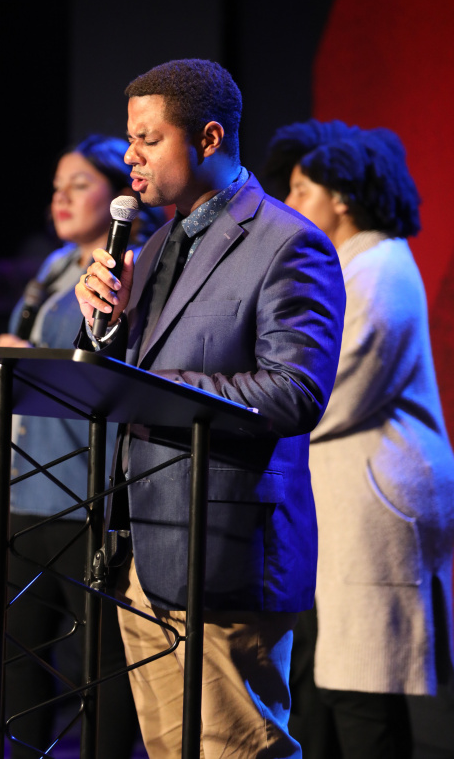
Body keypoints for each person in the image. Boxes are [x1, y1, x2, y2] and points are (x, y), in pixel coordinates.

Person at [73, 59, 346, 758]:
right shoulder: (156, 244)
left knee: (237, 750)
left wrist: (157, 388)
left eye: (147, 140)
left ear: (209, 137)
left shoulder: (289, 244)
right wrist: (103, 326)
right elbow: (126, 375)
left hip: (223, 556)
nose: (129, 157)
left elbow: (294, 393)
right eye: (129, 139)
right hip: (143, 553)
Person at [267, 121, 454, 759]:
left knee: (361, 695)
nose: (289, 204)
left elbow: (334, 391)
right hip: (342, 509)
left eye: (301, 189)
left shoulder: (379, 267)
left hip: (376, 507)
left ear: (342, 198)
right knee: (326, 690)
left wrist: (257, 404)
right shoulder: (350, 267)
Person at [0, 135, 160, 758]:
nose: (61, 198)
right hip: (25, 491)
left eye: (79, 184)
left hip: (85, 494)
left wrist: (31, 363)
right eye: (57, 186)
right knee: (18, 656)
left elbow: (115, 375)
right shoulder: (55, 268)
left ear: (118, 194)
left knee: (100, 663)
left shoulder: (134, 267)